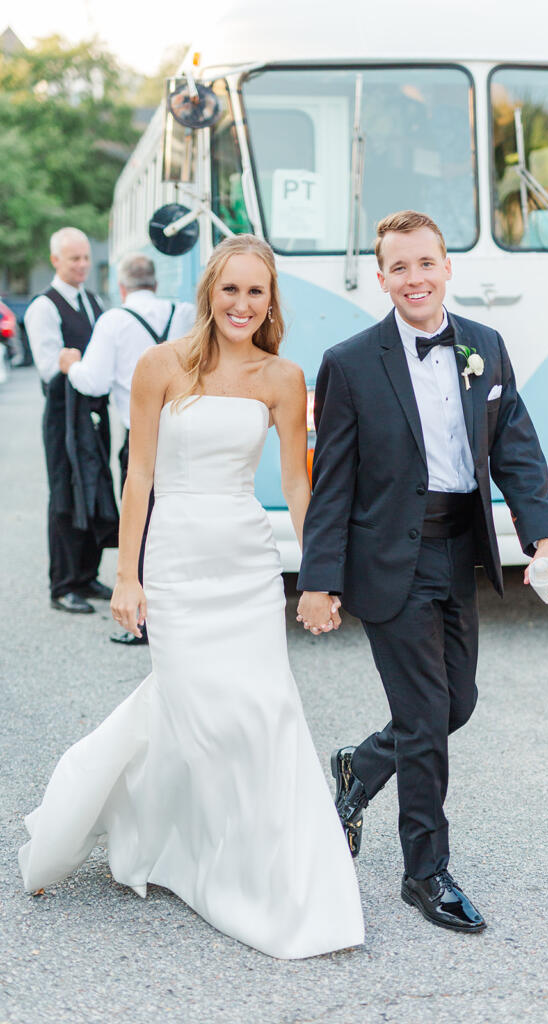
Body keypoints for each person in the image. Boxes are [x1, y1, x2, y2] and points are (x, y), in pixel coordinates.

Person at [18, 235, 364, 960]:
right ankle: (168, 837)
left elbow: (296, 484)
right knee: (198, 713)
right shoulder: (161, 365)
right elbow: (140, 475)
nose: (242, 303)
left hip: (246, 561)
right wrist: (127, 574)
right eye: (230, 288)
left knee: (263, 711)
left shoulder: (282, 377)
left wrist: (320, 574)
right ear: (209, 291)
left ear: (270, 302)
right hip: (176, 558)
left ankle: (275, 876)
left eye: (256, 291)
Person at [297, 210, 548, 935]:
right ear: (381, 277)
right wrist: (319, 580)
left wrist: (545, 539)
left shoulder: (486, 347)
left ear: (447, 267)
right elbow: (332, 482)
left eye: (426, 263)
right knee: (425, 717)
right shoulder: (350, 362)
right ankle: (425, 871)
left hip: (457, 549)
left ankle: (361, 766)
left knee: (456, 704)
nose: (414, 278)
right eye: (399, 267)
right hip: (389, 556)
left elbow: (517, 450)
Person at [59, 253, 196, 646]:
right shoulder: (184, 313)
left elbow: (94, 382)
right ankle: (186, 612)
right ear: (156, 283)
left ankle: (147, 622)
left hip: (142, 440)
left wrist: (70, 365)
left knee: (144, 528)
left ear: (122, 287)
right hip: (190, 436)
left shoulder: (114, 321)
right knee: (184, 523)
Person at [24, 227, 118, 614]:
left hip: (95, 412)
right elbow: (50, 368)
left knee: (95, 487)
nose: (82, 265)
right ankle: (63, 585)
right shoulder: (43, 307)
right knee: (65, 493)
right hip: (63, 416)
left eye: (85, 258)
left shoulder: (94, 301)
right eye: (74, 258)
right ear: (55, 261)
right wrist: (77, 366)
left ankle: (86, 576)